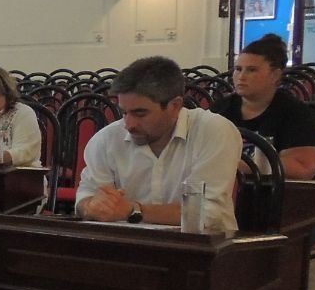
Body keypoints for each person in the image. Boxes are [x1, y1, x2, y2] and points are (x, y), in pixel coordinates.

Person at [75, 56, 241, 232]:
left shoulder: (213, 131)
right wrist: (93, 206)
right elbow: (84, 199)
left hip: (203, 244)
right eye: (124, 112)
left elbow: (207, 212)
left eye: (140, 113)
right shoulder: (106, 139)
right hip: (128, 244)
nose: (129, 124)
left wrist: (133, 210)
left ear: (175, 106)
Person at [217, 34, 315, 180]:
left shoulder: (295, 113)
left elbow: (303, 168)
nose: (241, 76)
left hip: (272, 190)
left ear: (275, 75)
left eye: (252, 70)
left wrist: (232, 164)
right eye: (238, 69)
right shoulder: (222, 107)